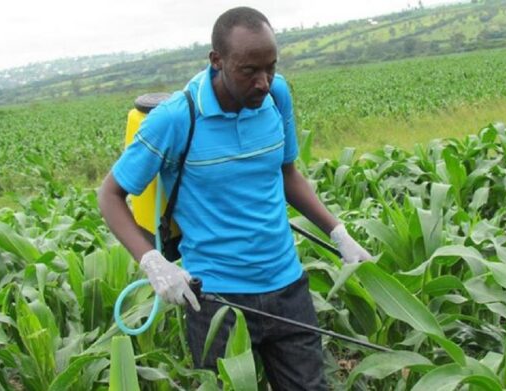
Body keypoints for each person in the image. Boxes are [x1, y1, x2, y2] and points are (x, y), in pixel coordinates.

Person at [97, 6, 372, 390]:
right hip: (216, 300)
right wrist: (153, 262)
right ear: (217, 60)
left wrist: (339, 233)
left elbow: (287, 174)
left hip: (287, 286)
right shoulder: (177, 118)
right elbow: (110, 195)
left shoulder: (276, 96)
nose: (263, 82)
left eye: (271, 67)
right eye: (249, 71)